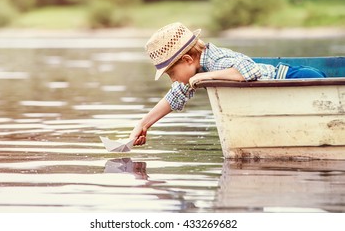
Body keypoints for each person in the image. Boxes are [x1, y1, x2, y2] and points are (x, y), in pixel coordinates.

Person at [129, 22, 326, 146]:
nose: (172, 79)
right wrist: (143, 124)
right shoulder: (196, 70)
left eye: (171, 73)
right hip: (283, 95)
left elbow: (251, 71)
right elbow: (174, 97)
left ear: (188, 59)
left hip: (295, 77)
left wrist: (206, 77)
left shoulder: (216, 60)